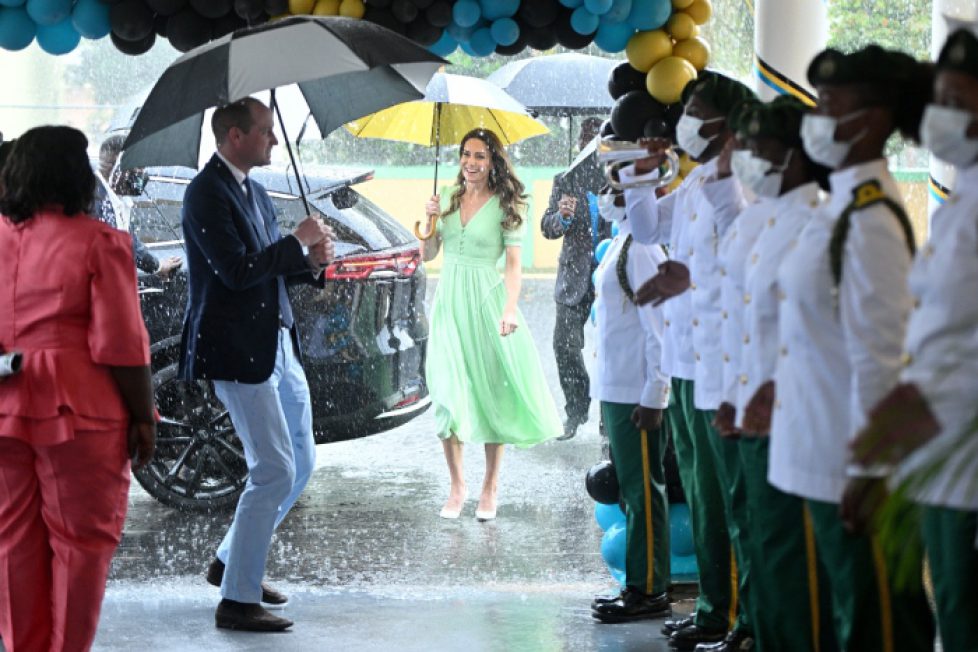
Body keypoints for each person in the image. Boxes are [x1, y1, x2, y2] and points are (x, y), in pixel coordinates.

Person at [766, 46, 935, 652]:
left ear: (874, 121)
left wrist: (871, 470)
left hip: (850, 459)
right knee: (847, 615)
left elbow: (881, 356)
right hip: (817, 446)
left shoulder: (871, 220)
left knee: (877, 622)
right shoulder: (838, 205)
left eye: (832, 107)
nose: (819, 119)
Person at [179, 97, 334, 632]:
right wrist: (296, 241)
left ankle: (230, 562)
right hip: (237, 349)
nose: (272, 140)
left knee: (301, 463)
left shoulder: (258, 191)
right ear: (234, 137)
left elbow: (272, 270)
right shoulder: (204, 195)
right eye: (264, 132)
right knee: (273, 470)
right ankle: (237, 601)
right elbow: (236, 272)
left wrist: (310, 262)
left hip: (278, 340)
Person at [0, 126, 157, 651]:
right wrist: (144, 416)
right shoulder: (99, 242)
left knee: (14, 544)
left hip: (5, 408)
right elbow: (122, 345)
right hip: (79, 413)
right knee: (80, 546)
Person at [847, 28, 978, 652]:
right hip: (941, 451)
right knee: (953, 606)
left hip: (963, 447)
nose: (943, 116)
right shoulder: (964, 196)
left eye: (961, 101)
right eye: (942, 99)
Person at [622, 72, 756, 652]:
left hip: (726, 365)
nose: (686, 122)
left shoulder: (746, 182)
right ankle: (712, 611)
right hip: (689, 363)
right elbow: (647, 225)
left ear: (726, 124)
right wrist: (643, 177)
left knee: (734, 497)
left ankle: (746, 621)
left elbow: (746, 263)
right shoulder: (700, 177)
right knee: (704, 494)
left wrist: (691, 277)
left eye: (697, 112)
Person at [722, 97, 838, 652]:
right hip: (754, 414)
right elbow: (744, 325)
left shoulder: (819, 224)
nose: (745, 159)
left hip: (791, 419)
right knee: (765, 549)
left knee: (792, 561)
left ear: (794, 157)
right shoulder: (761, 222)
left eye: (758, 151)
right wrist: (733, 394)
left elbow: (820, 337)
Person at [420, 128, 562, 521]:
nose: (471, 162)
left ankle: (490, 485)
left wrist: (510, 309)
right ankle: (457, 485)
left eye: (480, 156)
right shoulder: (447, 199)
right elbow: (429, 253)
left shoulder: (507, 203)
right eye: (466, 154)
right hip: (449, 302)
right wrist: (429, 220)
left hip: (486, 300)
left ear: (493, 161)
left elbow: (514, 266)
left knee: (492, 392)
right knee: (446, 395)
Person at [587, 180, 673, 624]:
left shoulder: (642, 247)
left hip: (635, 391)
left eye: (615, 184)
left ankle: (649, 589)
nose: (606, 191)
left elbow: (659, 327)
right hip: (616, 388)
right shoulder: (624, 239)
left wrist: (655, 393)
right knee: (633, 492)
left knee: (644, 491)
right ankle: (639, 584)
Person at [541, 116, 608, 440]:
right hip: (573, 281)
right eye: (584, 138)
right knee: (564, 347)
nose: (587, 145)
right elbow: (547, 228)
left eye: (594, 138)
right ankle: (576, 409)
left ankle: (609, 418)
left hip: (611, 279)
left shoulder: (617, 179)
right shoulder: (565, 181)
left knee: (612, 350)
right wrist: (562, 217)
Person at [98, 133, 182, 277]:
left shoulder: (118, 200)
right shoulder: (93, 200)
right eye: (139, 167)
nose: (143, 174)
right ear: (118, 165)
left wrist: (157, 266)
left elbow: (130, 244)